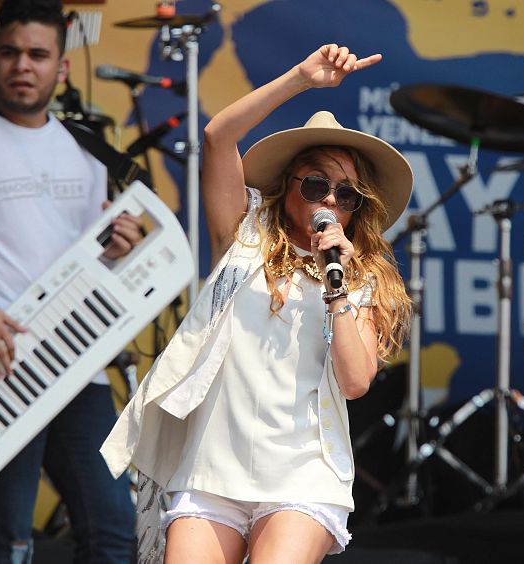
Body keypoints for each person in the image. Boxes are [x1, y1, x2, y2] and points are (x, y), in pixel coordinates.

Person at [100, 44, 413, 563]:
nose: (329, 200)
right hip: (211, 468)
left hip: (303, 472)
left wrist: (336, 287)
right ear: (287, 186)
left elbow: (356, 382)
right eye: (316, 184)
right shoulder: (243, 236)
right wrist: (301, 78)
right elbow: (217, 136)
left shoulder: (360, 278)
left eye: (346, 195)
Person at [0, 0, 139, 561]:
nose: (22, 65)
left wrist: (115, 252)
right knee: (8, 536)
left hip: (75, 361)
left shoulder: (86, 147)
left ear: (62, 67)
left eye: (37, 54)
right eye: (9, 52)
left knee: (113, 528)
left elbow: (85, 265)